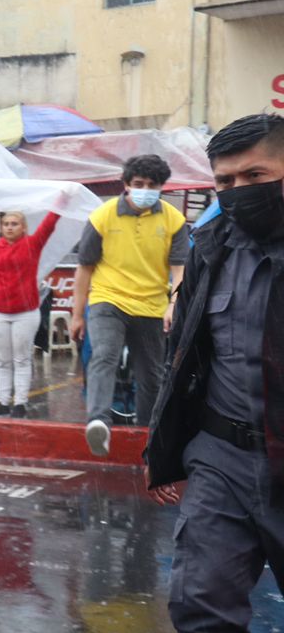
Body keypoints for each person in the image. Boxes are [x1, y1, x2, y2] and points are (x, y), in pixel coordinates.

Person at [144, 113, 284, 633]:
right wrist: (169, 450)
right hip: (223, 457)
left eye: (256, 177)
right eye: (225, 181)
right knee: (201, 601)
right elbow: (187, 352)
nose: (239, 192)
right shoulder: (212, 242)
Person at [68, 154, 188, 456]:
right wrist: (77, 314)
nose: (145, 189)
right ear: (126, 185)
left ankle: (147, 430)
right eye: (138, 184)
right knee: (104, 356)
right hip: (109, 299)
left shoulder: (174, 220)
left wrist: (174, 304)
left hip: (151, 305)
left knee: (150, 374)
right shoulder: (103, 216)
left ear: (162, 187)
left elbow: (180, 270)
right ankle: (98, 422)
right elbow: (85, 268)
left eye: (152, 184)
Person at [0, 209, 61, 417]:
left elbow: (49, 224)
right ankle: (2, 402)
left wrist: (61, 201)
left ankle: (20, 403)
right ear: (1, 228)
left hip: (25, 313)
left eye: (14, 224)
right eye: (6, 224)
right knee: (2, 360)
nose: (9, 227)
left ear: (24, 227)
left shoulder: (32, 244)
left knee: (22, 359)